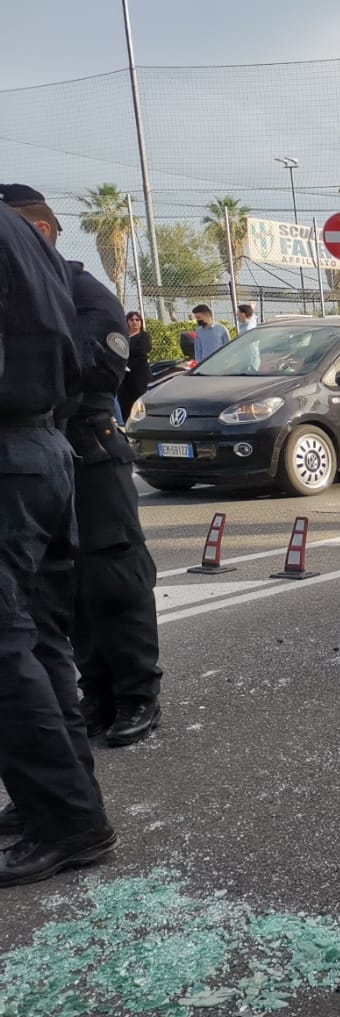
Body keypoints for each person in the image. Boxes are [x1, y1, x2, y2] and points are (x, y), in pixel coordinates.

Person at [4, 188, 163, 750]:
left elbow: (90, 372)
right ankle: (96, 692)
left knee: (114, 577)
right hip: (43, 455)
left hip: (88, 451)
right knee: (64, 591)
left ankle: (138, 694)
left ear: (40, 233)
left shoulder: (81, 291)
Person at [0, 196, 118, 886]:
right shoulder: (28, 236)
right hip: (42, 446)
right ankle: (61, 796)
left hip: (12, 452)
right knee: (40, 635)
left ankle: (68, 820)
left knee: (9, 646)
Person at [117, 311, 151, 424]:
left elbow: (142, 350)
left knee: (139, 399)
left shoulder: (144, 336)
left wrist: (125, 351)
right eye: (132, 320)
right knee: (124, 400)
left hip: (139, 373)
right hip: (124, 373)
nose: (135, 322)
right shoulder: (123, 337)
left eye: (137, 320)